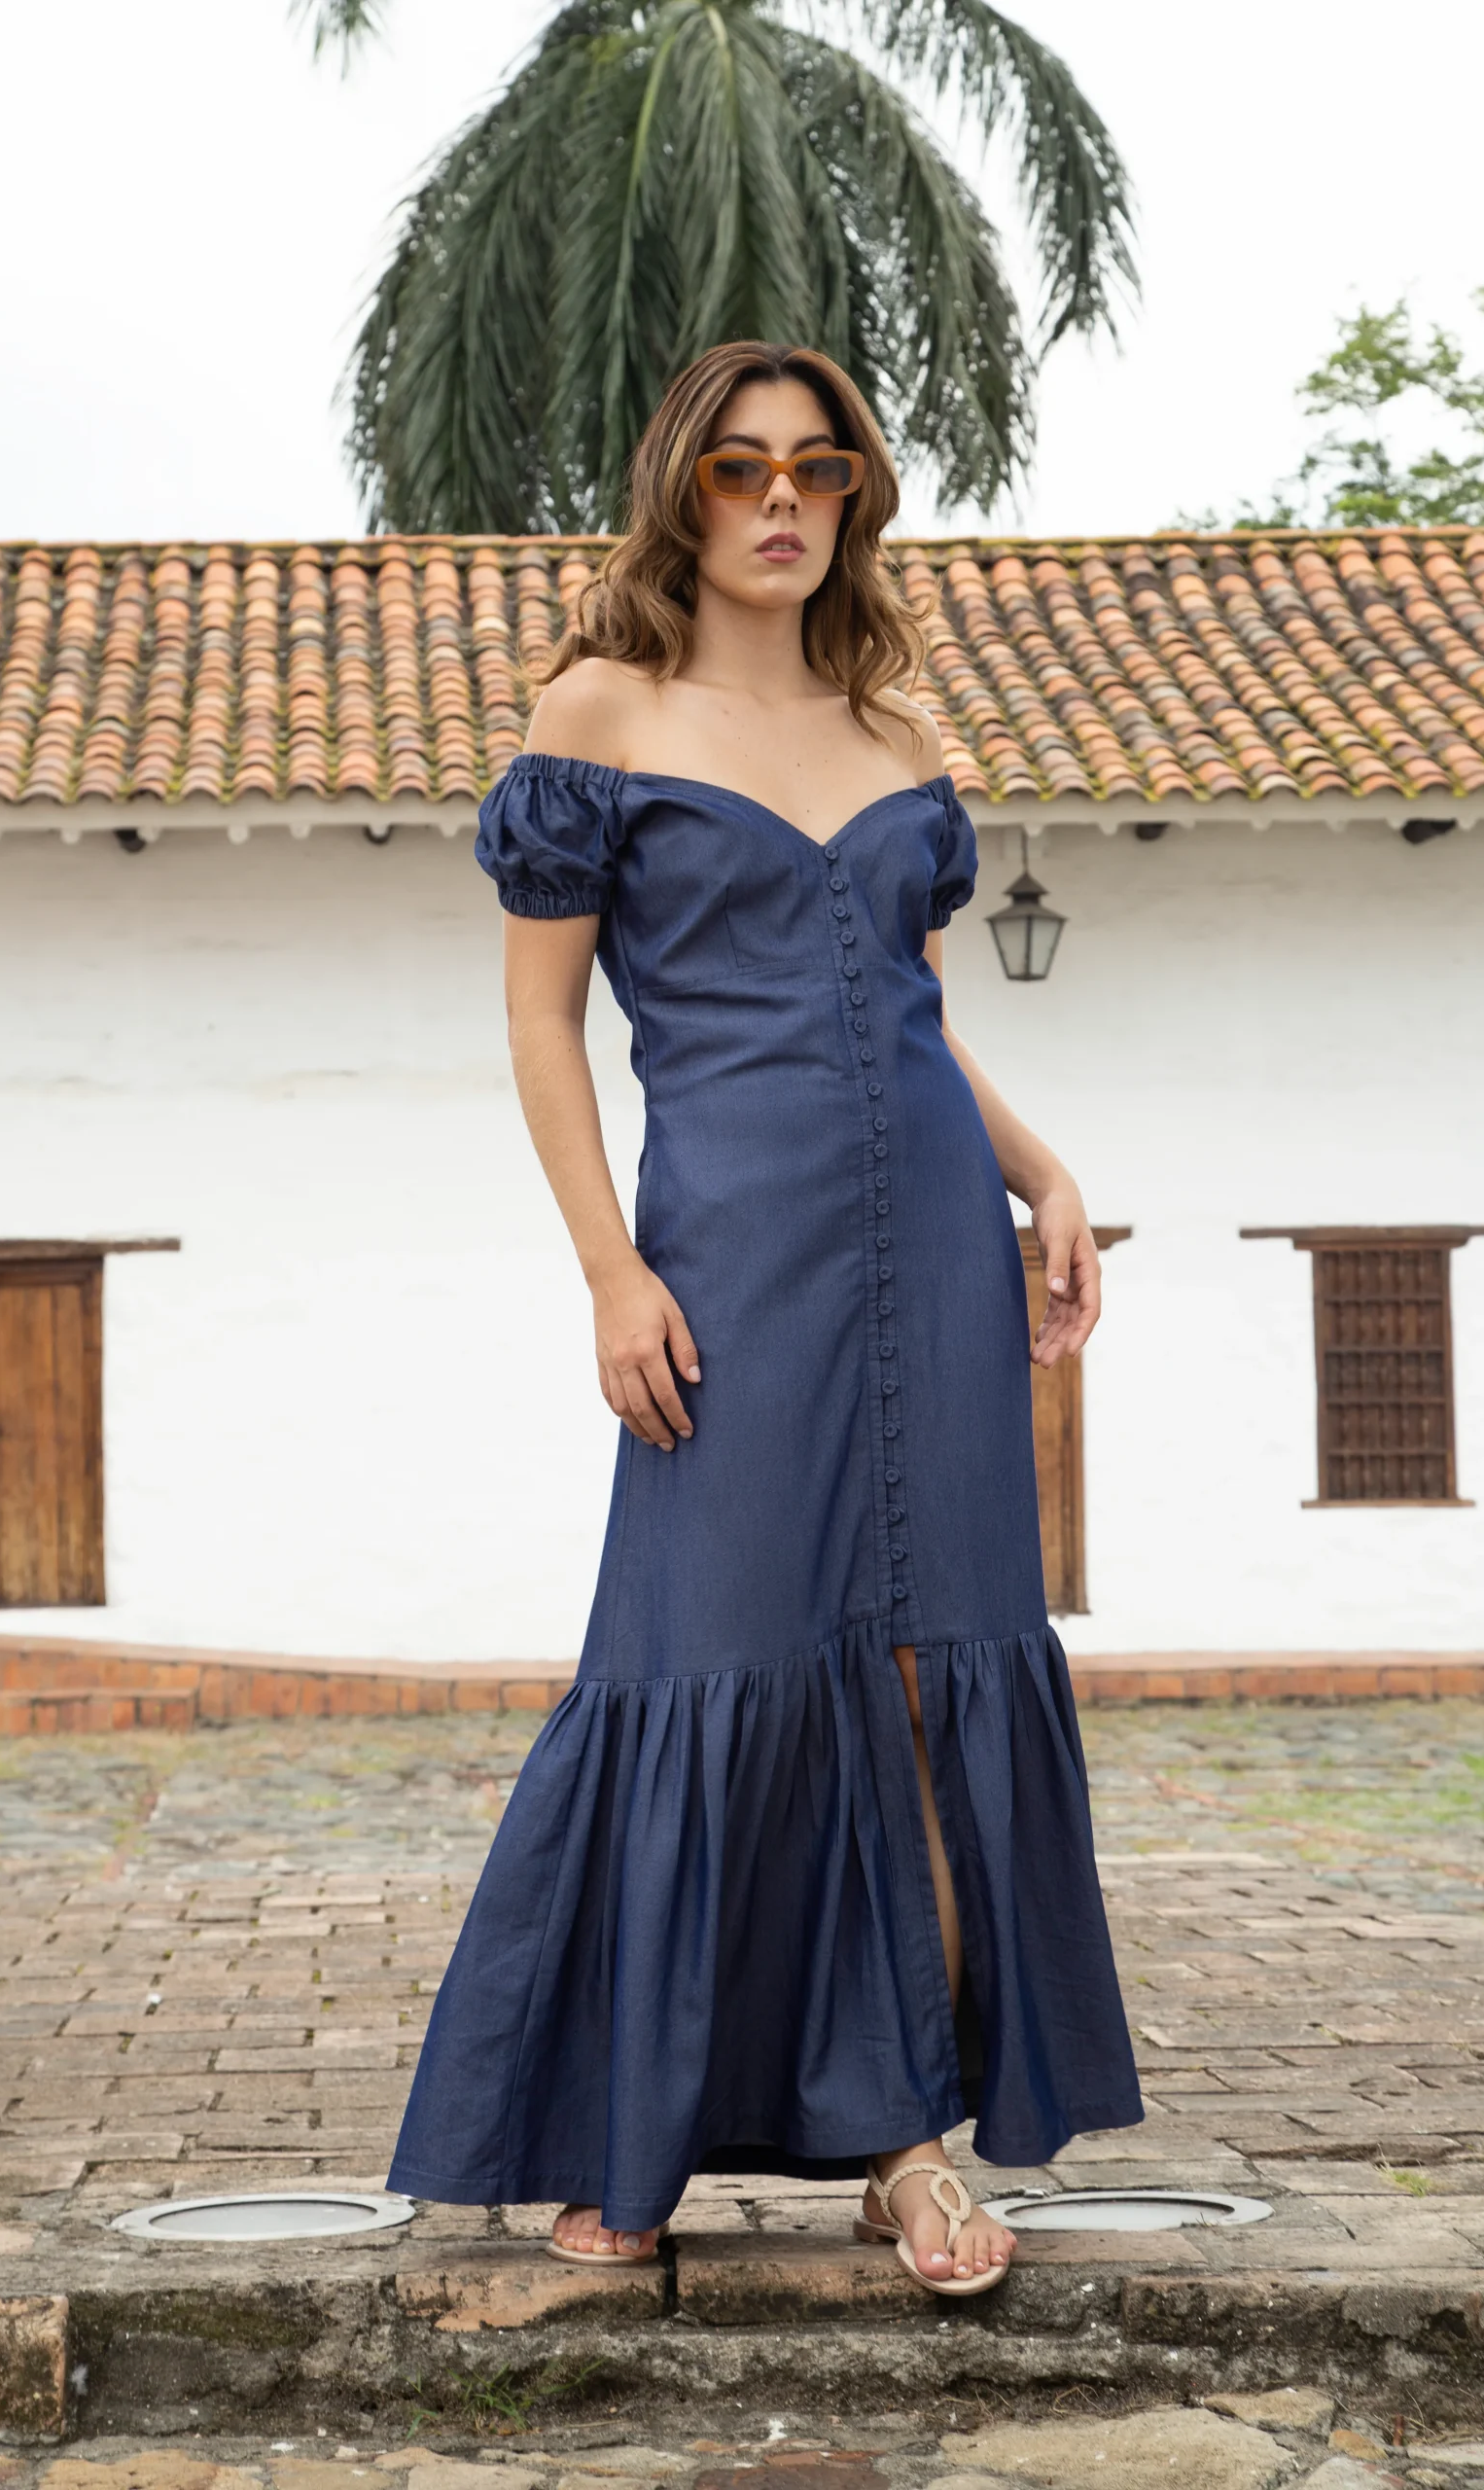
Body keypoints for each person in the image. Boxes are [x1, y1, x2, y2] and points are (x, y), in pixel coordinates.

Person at [388, 340, 1140, 2295]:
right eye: (740, 467)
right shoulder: (600, 711)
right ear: (685, 490)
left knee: (923, 1673)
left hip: (935, 1249)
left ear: (855, 495)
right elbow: (540, 1019)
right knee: (702, 1651)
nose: (782, 499)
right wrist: (608, 1268)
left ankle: (907, 2147)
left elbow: (917, 1017)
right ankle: (629, 2130)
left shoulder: (899, 735)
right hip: (727, 1251)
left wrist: (1042, 1173)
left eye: (817, 466)